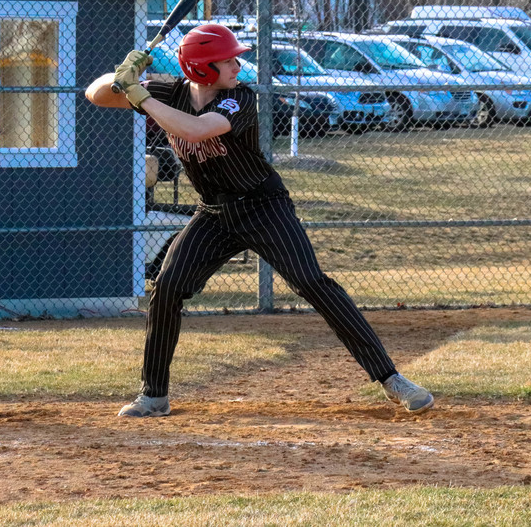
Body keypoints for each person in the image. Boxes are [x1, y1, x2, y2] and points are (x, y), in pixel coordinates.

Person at [85, 24, 435, 418]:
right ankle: (154, 396)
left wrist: (140, 95)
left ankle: (392, 379)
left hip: (263, 206)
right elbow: (95, 94)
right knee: (166, 286)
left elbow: (198, 131)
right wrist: (122, 76)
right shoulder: (168, 93)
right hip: (213, 213)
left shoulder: (239, 98)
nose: (237, 64)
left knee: (311, 283)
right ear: (201, 69)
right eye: (228, 59)